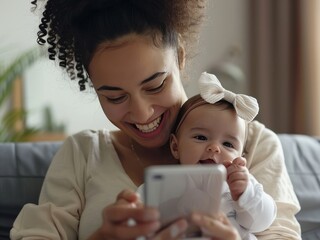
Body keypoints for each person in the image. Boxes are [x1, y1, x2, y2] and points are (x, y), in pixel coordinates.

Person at [11, 0, 301, 239]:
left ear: (181, 58)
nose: (142, 113)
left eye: (155, 86)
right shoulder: (83, 154)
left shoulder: (252, 143)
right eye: (115, 97)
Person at [169, 72, 277, 240]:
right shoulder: (164, 182)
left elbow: (263, 222)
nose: (214, 148)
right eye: (201, 137)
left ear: (240, 155)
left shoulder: (238, 183)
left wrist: (244, 195)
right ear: (176, 146)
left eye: (228, 144)